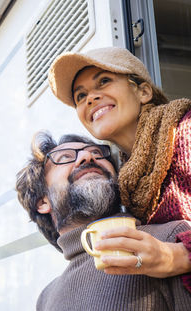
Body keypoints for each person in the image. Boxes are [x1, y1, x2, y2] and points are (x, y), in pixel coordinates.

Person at [47, 46, 191, 291]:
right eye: (80, 96)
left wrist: (177, 256)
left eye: (104, 81)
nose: (90, 98)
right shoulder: (130, 184)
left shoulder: (184, 132)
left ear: (143, 91)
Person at [16, 131, 191, 310]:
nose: (88, 156)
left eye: (98, 153)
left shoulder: (172, 240)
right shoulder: (45, 298)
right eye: (64, 157)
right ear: (43, 202)